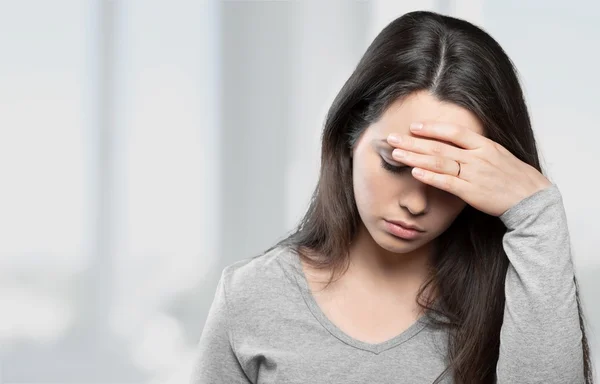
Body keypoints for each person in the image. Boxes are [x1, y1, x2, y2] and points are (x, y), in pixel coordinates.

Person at [190, 10, 594, 384]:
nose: (415, 204)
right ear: (350, 135)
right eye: (394, 164)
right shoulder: (251, 296)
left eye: (448, 178)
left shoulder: (515, 297)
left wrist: (537, 211)